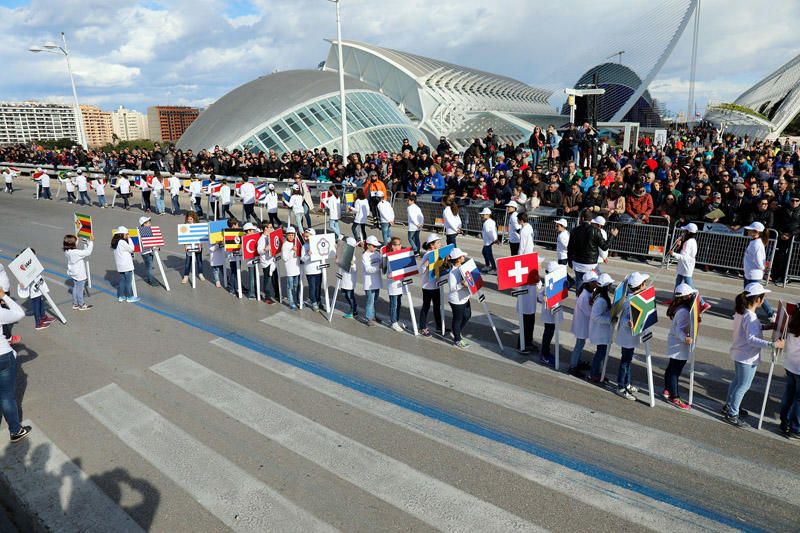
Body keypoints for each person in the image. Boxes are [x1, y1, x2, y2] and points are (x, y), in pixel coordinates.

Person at [724, 284, 782, 426]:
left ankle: (729, 406)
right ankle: (732, 413)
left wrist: (764, 327)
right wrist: (773, 345)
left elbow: (747, 330)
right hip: (747, 357)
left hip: (739, 354)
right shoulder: (750, 317)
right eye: (763, 297)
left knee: (737, 382)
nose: (764, 300)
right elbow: (751, 339)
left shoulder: (741, 312)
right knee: (743, 386)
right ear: (758, 300)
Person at [0, 287, 31, 443]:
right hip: (3, 356)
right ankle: (15, 430)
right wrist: (4, 296)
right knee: (6, 396)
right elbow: (20, 313)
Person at [616, 272, 651, 400]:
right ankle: (621, 386)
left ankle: (628, 383)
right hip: (627, 338)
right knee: (625, 362)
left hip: (631, 337)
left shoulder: (635, 298)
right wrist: (629, 323)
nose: (646, 285)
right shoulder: (630, 301)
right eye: (644, 283)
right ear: (640, 286)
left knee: (628, 361)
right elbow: (624, 319)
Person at [662, 283, 697, 410]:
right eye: (691, 295)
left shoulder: (680, 308)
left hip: (675, 342)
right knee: (675, 371)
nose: (693, 296)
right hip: (678, 344)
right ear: (686, 297)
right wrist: (685, 339)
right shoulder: (683, 311)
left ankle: (667, 389)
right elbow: (678, 329)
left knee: (671, 367)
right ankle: (674, 396)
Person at [567, 211, 617, 289]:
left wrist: (570, 261)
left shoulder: (574, 230)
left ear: (582, 218)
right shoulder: (596, 230)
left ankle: (579, 299)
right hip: (590, 264)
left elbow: (570, 248)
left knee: (579, 284)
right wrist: (612, 236)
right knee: (592, 285)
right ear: (591, 219)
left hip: (577, 263)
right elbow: (604, 247)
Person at [670, 223, 710, 312]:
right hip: (684, 266)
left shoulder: (688, 242)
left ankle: (703, 303)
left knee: (691, 287)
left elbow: (685, 257)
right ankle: (674, 300)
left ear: (687, 232)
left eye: (684, 231)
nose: (683, 232)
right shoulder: (691, 241)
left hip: (686, 267)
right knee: (678, 281)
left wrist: (674, 254)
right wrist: (679, 245)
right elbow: (686, 254)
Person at [568, 271, 598, 378]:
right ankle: (573, 366)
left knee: (581, 344)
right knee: (579, 345)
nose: (596, 283)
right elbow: (588, 312)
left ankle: (578, 362)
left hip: (583, 324)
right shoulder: (584, 296)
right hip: (581, 325)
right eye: (594, 281)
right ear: (589, 283)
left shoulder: (588, 291)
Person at [742, 222, 774, 319]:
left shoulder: (757, 244)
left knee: (756, 296)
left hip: (753, 275)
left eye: (750, 229)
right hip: (749, 274)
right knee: (748, 295)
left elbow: (760, 263)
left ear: (756, 232)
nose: (748, 230)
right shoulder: (755, 242)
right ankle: (744, 313)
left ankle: (771, 314)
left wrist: (764, 269)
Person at [588, 273, 614, 383]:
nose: (611, 286)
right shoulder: (601, 300)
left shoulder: (600, 296)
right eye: (610, 284)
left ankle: (598, 373)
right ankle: (594, 374)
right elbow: (595, 317)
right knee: (600, 354)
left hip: (601, 331)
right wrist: (609, 320)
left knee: (601, 353)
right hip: (600, 331)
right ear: (606, 286)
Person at [537, 261, 565, 366]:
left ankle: (546, 352)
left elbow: (540, 297)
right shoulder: (550, 284)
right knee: (548, 334)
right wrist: (546, 300)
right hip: (550, 315)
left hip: (552, 315)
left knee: (549, 333)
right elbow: (541, 297)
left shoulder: (552, 282)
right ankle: (544, 355)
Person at [418, 234, 445, 337]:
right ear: (431, 245)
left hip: (436, 285)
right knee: (426, 307)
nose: (440, 244)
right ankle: (422, 327)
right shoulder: (427, 255)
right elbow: (420, 270)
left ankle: (439, 327)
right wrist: (426, 264)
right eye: (438, 243)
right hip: (427, 287)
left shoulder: (437, 253)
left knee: (437, 307)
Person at [779, 309, 800, 439]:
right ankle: (795, 428)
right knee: (798, 400)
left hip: (790, 367)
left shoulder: (792, 326)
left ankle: (784, 422)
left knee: (788, 396)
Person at [447, 248, 472, 348]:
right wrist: (462, 284)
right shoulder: (452, 273)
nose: (464, 257)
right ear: (457, 259)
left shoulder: (463, 268)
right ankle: (457, 340)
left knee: (467, 316)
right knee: (457, 319)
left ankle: (456, 332)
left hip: (465, 298)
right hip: (456, 300)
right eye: (462, 256)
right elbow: (452, 288)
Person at [63, 233, 94, 310]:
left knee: (75, 288)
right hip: (79, 273)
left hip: (73, 272)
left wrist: (77, 238)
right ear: (73, 243)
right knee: (80, 290)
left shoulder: (67, 251)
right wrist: (91, 242)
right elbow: (87, 252)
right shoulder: (76, 252)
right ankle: (81, 305)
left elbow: (73, 244)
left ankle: (75, 304)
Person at [111, 227, 139, 303]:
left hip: (120, 265)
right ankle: (129, 297)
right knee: (128, 282)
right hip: (126, 265)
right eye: (126, 234)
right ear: (122, 234)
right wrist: (130, 239)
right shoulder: (122, 242)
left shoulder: (115, 242)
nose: (127, 235)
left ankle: (121, 296)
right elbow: (132, 249)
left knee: (122, 281)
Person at [385, 237, 406, 332]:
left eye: (400, 244)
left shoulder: (400, 255)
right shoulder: (390, 256)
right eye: (398, 244)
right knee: (394, 304)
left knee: (399, 303)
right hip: (393, 285)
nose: (400, 246)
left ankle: (397, 320)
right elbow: (390, 273)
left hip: (399, 284)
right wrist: (394, 274)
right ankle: (393, 322)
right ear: (393, 246)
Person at [362, 235, 384, 326]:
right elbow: (368, 269)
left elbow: (382, 262)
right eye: (374, 246)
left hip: (377, 281)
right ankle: (368, 318)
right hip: (369, 283)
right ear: (368, 245)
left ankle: (373, 315)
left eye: (376, 246)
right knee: (370, 301)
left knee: (374, 300)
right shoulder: (365, 256)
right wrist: (379, 266)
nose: (376, 248)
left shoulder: (377, 254)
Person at [301, 228, 324, 311]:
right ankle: (313, 302)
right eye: (305, 236)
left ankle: (318, 301)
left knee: (318, 287)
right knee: (312, 287)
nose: (305, 238)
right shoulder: (304, 246)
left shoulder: (318, 244)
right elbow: (302, 259)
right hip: (310, 271)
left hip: (319, 270)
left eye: (307, 237)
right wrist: (308, 254)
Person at [257, 221, 279, 303]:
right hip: (266, 263)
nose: (272, 229)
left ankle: (277, 294)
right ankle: (267, 297)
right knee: (268, 280)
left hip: (272, 261)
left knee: (275, 279)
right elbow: (259, 251)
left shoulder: (270, 236)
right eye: (270, 227)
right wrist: (266, 249)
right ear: (265, 228)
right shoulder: (262, 239)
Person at [181, 212, 205, 285]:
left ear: (194, 218)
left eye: (191, 219)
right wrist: (185, 246)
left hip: (198, 246)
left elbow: (201, 236)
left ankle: (200, 274)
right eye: (188, 219)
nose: (189, 221)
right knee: (187, 263)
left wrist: (200, 245)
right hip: (189, 246)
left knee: (199, 261)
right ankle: (186, 276)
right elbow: (184, 237)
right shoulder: (185, 226)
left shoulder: (198, 226)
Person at [339, 237, 360, 319]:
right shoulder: (344, 254)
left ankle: (354, 311)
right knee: (344, 293)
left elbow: (355, 270)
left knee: (350, 295)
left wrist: (352, 264)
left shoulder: (353, 257)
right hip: (343, 279)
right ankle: (353, 307)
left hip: (349, 281)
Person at [282, 226, 301, 310]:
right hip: (290, 270)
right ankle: (291, 302)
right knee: (290, 286)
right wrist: (292, 250)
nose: (290, 236)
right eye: (289, 235)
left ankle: (298, 300)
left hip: (297, 269)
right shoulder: (285, 245)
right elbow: (284, 258)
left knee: (297, 285)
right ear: (286, 235)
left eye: (292, 235)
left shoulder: (296, 242)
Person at [138, 216, 157, 286]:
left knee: (149, 266)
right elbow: (143, 243)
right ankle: (151, 280)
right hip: (146, 252)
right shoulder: (142, 231)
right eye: (148, 222)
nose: (150, 223)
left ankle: (150, 279)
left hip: (149, 251)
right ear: (144, 224)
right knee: (149, 267)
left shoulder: (147, 230)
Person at [480, 208, 498, 273]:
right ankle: (488, 265)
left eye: (483, 214)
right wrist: (494, 239)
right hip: (488, 241)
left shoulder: (487, 223)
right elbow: (493, 231)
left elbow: (490, 232)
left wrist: (494, 239)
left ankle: (494, 268)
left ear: (488, 214)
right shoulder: (490, 221)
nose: (482, 216)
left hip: (488, 241)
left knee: (489, 254)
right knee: (484, 252)